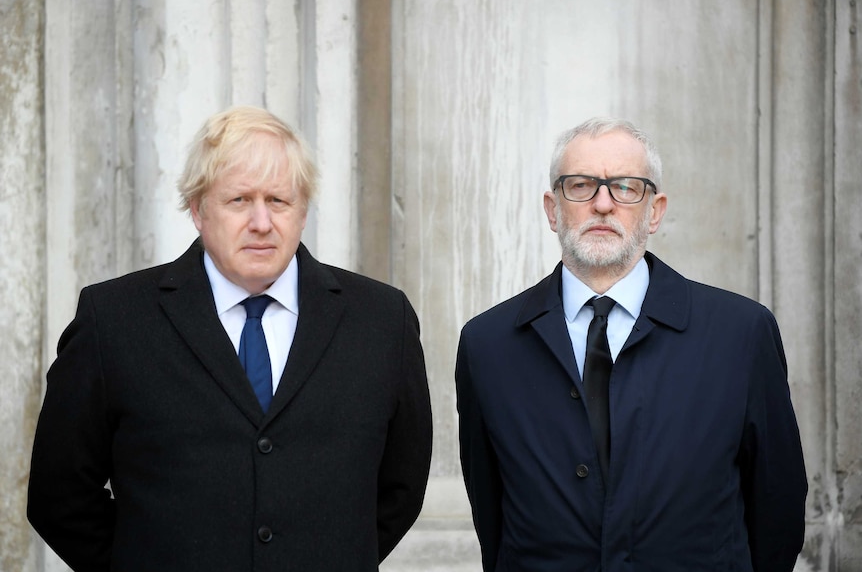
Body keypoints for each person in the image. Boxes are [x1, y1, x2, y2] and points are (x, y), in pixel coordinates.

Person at [28, 106, 433, 572]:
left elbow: (401, 489)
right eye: (239, 200)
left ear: (302, 211)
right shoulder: (114, 320)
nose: (261, 222)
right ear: (198, 210)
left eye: (278, 201)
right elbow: (58, 495)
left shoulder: (383, 321)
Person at [455, 117, 807, 571]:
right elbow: (491, 513)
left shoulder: (741, 333)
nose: (603, 204)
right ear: (552, 209)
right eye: (580, 186)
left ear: (655, 211)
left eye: (626, 187)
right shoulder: (489, 344)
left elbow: (776, 508)